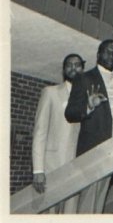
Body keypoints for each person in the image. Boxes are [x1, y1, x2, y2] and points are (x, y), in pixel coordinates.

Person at [65, 40, 113, 213]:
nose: (111, 55)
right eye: (107, 51)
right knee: (88, 202)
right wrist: (89, 107)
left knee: (100, 200)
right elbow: (71, 113)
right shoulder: (84, 78)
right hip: (93, 147)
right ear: (98, 55)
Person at [32, 54, 85, 213]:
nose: (73, 68)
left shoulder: (87, 96)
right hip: (52, 166)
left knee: (70, 213)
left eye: (77, 65)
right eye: (69, 64)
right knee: (49, 212)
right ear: (63, 69)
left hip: (77, 167)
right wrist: (38, 170)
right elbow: (40, 132)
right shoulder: (50, 92)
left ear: (83, 69)